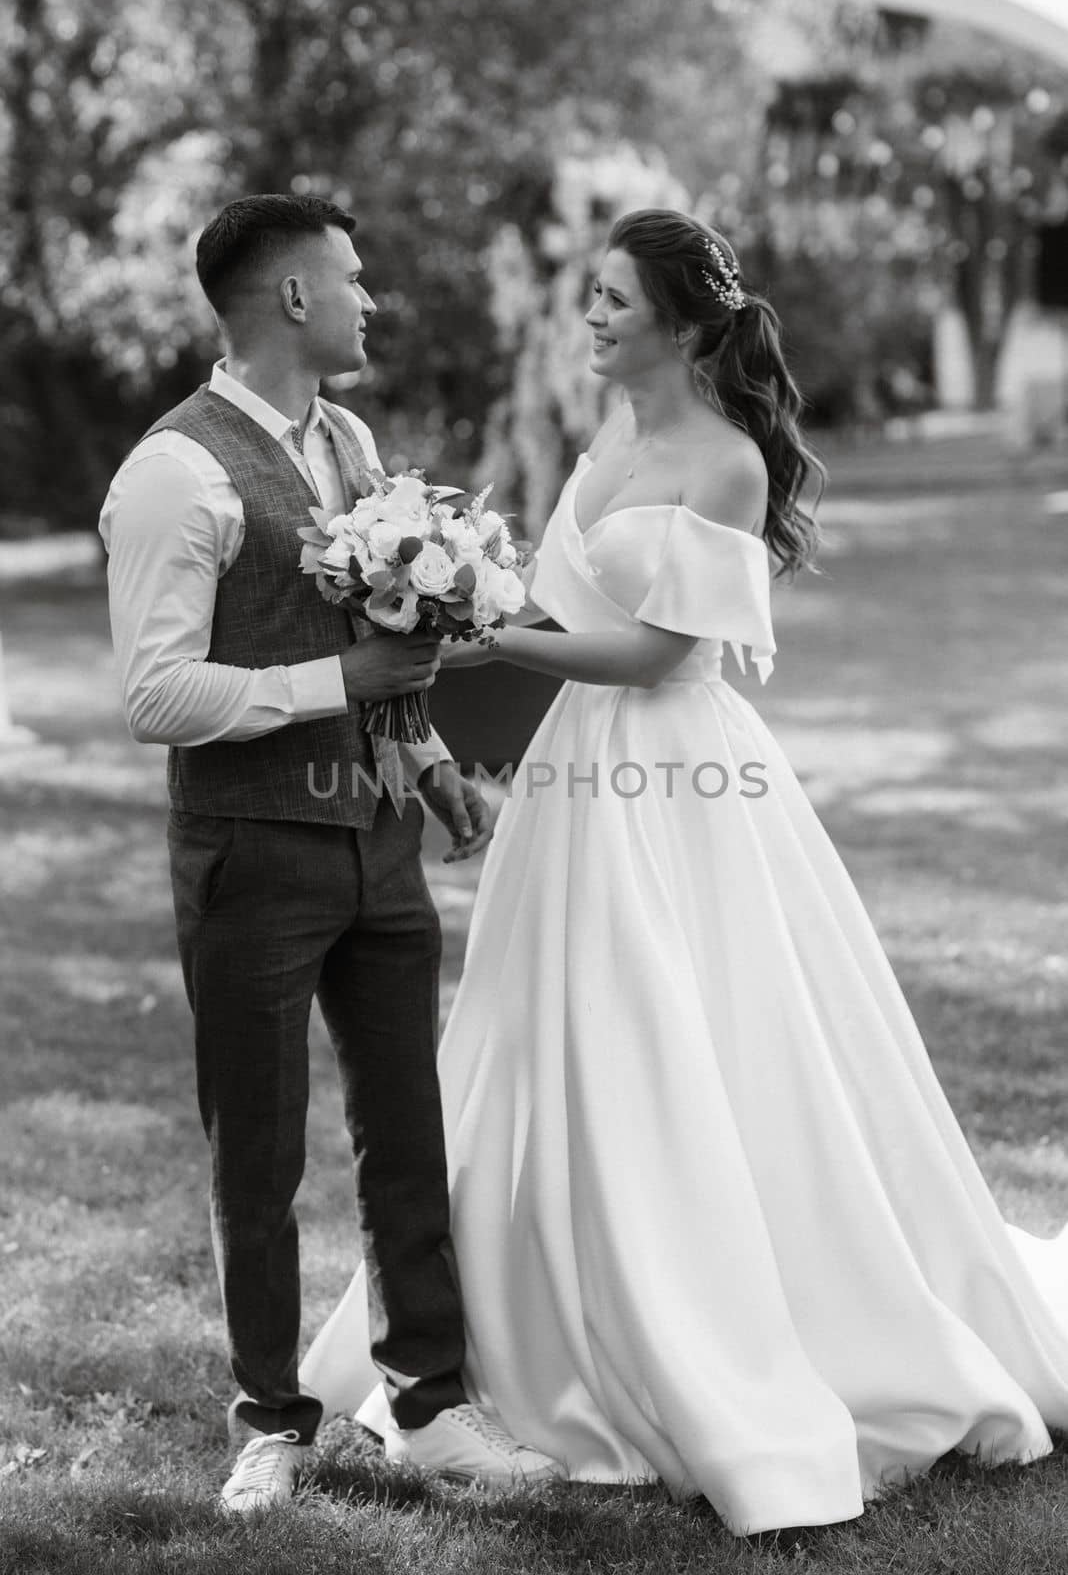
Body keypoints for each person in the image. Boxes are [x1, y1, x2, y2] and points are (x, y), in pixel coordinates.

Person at [300, 208, 1068, 1535]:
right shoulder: (608, 442)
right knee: (546, 1039)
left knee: (684, 1035)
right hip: (573, 784)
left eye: (610, 301)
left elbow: (656, 654)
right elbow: (559, 609)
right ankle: (512, 1332)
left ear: (679, 320)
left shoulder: (722, 464)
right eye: (586, 298)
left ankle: (713, 1327)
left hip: (677, 786)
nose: (588, 319)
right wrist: (456, 622)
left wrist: (496, 639)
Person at [99, 193, 562, 1512]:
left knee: (406, 1132)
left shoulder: (350, 439)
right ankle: (269, 1421)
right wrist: (334, 679)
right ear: (294, 297)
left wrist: (423, 763)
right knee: (257, 1149)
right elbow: (155, 696)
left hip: (380, 845)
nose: (370, 301)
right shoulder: (172, 474)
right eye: (353, 280)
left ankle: (431, 1403)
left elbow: (387, 647)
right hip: (251, 854)